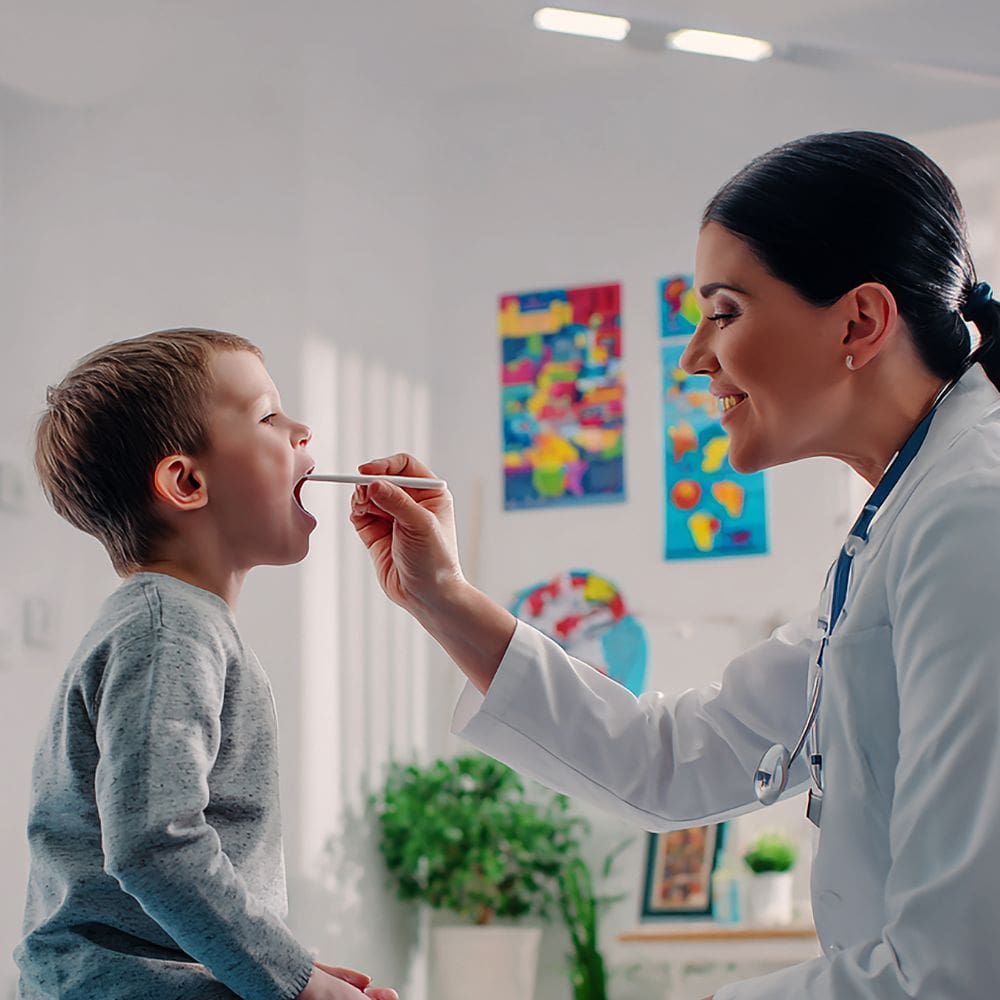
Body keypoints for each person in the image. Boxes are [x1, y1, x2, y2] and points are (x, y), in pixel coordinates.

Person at [349, 131, 1000, 998]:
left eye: (724, 312)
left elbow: (952, 973)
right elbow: (676, 758)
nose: (695, 356)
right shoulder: (900, 525)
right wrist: (442, 598)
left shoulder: (969, 518)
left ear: (860, 321)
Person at [18, 329, 398, 1000]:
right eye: (268, 416)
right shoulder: (170, 632)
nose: (302, 429)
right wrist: (298, 984)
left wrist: (282, 965)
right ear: (187, 481)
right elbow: (154, 846)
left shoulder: (173, 625)